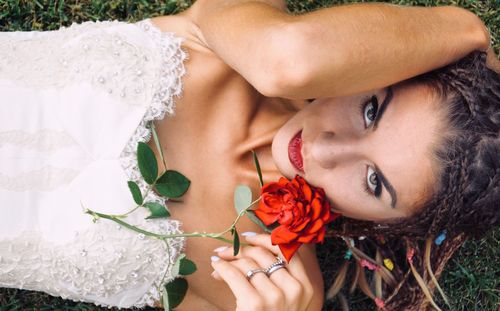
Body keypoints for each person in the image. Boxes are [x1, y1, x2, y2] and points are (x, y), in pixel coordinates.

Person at [0, 0, 498, 310]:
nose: (325, 149)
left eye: (374, 182)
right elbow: (290, 59)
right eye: (371, 110)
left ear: (391, 225)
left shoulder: (266, 285)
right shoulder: (238, 41)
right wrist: (468, 29)